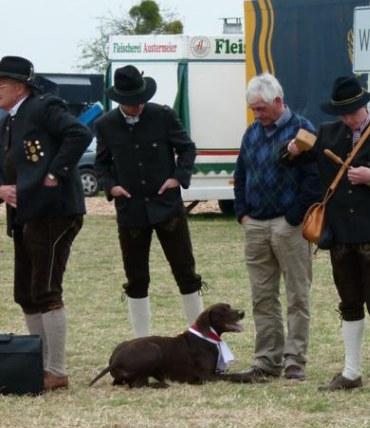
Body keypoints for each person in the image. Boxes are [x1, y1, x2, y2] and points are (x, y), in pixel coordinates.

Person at [287, 76, 370, 394]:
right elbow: (294, 161)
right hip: (339, 232)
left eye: (351, 111)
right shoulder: (327, 133)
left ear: (364, 106)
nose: (346, 118)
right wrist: (290, 150)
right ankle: (351, 372)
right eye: (342, 112)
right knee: (348, 301)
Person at [0, 55, 92, 391]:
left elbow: (79, 133)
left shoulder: (44, 107)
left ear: (19, 87)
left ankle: (57, 370)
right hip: (25, 214)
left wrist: (55, 172)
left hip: (54, 211)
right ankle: (36, 365)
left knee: (46, 290)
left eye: (1, 84)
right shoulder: (8, 121)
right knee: (26, 292)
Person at [94, 65, 205, 337]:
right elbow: (101, 164)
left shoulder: (163, 115)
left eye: (141, 99)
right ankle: (141, 341)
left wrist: (178, 177)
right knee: (136, 278)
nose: (139, 105)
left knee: (185, 271)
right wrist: (111, 186)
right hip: (130, 210)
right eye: (133, 102)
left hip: (167, 207)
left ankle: (200, 336)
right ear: (120, 100)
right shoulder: (105, 124)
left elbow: (187, 148)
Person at [231, 74, 319, 381]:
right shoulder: (251, 133)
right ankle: (267, 360)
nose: (257, 115)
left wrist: (294, 217)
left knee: (297, 295)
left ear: (278, 101)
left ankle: (295, 360)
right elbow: (241, 173)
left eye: (261, 109)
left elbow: (314, 180)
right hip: (255, 223)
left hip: (289, 225)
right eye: (253, 109)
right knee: (262, 297)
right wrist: (242, 213)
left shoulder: (303, 130)